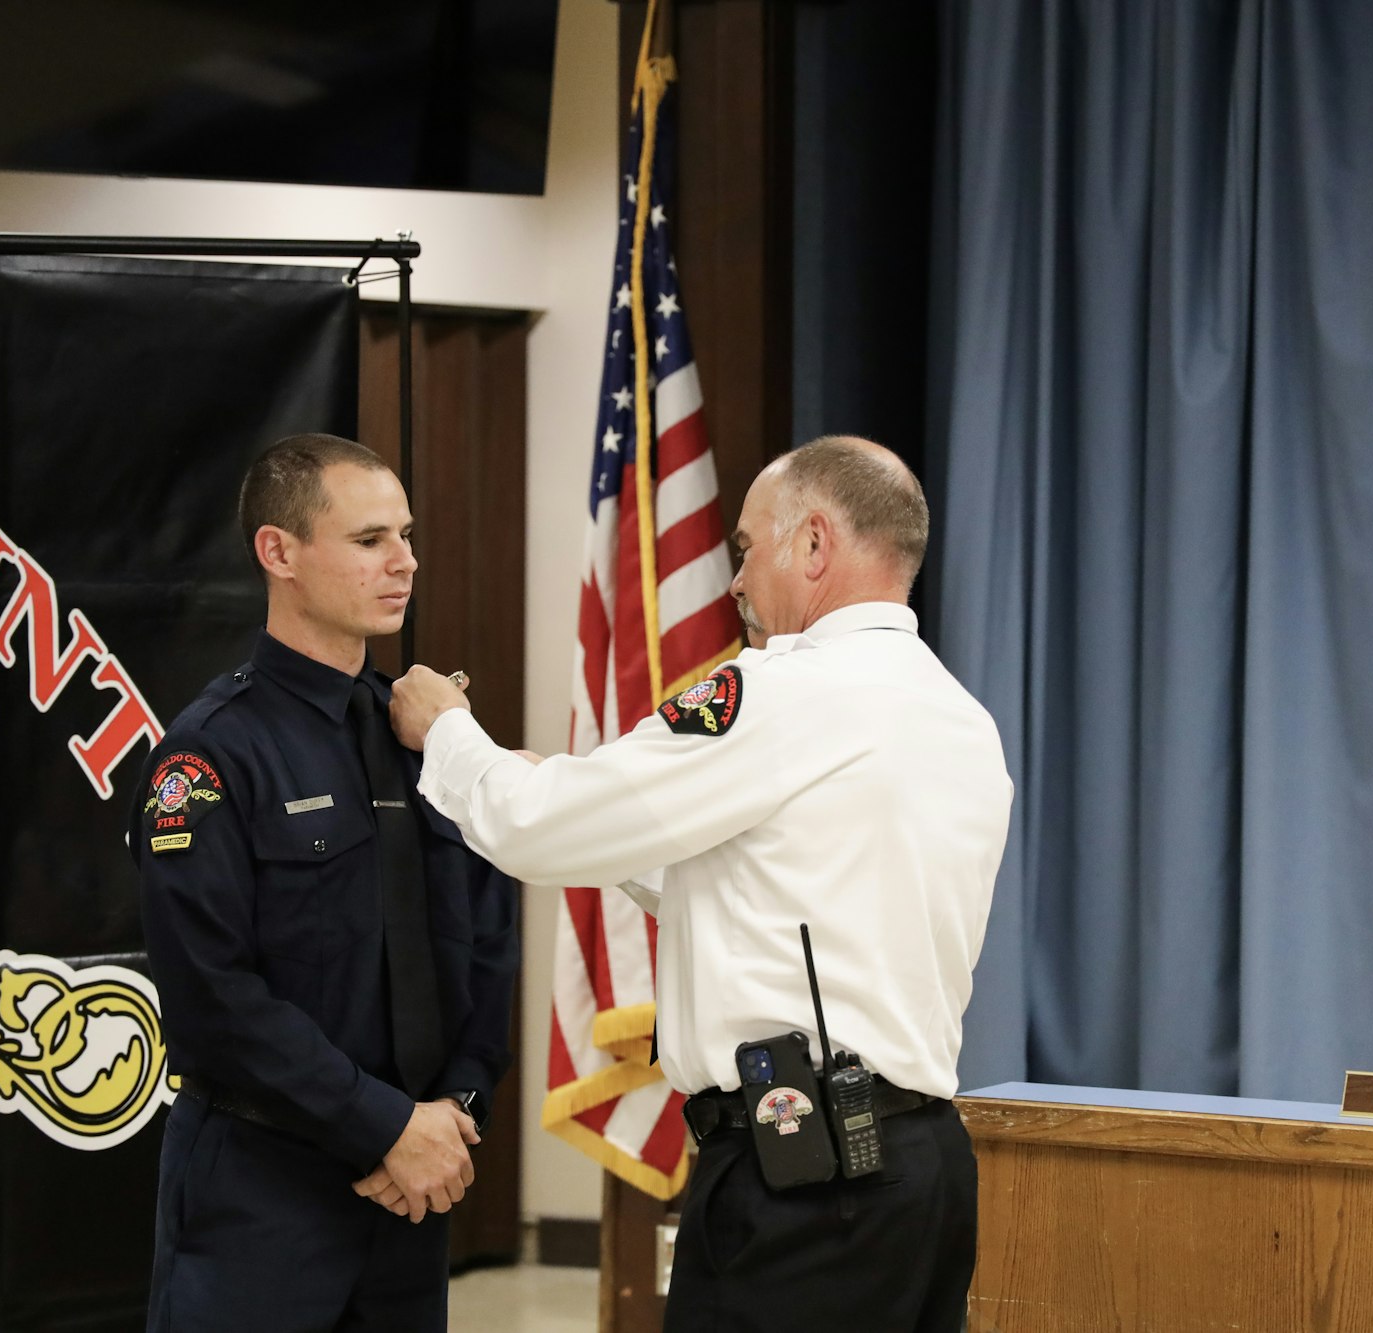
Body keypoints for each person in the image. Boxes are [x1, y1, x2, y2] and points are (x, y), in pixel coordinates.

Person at [392, 435, 1013, 1332]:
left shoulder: (781, 692)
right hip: (921, 1170)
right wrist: (567, 798)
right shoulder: (962, 717)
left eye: (746, 547)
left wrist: (451, 733)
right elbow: (771, 880)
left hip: (802, 1175)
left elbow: (537, 827)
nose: (734, 580)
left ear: (812, 545)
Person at [132, 434, 518, 1332]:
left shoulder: (423, 737)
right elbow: (211, 996)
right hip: (264, 1188)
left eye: (409, 535)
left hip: (416, 1188)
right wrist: (382, 1124)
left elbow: (489, 938)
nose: (405, 560)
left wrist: (455, 1112)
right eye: (371, 538)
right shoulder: (212, 751)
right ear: (280, 552)